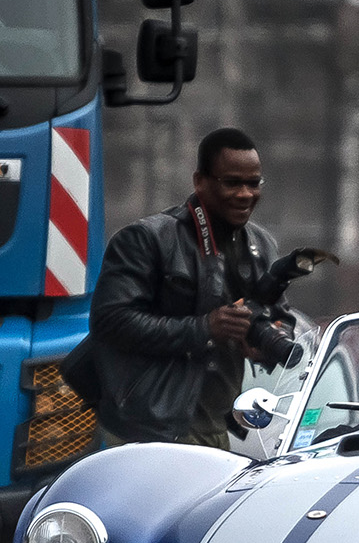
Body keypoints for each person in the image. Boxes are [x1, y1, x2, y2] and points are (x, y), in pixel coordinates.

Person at [84, 126, 290, 450]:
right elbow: (110, 321)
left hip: (218, 427)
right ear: (200, 182)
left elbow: (279, 314)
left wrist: (267, 339)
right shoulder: (147, 239)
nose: (245, 194)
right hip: (146, 428)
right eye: (232, 183)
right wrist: (205, 328)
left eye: (253, 183)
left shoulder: (261, 245)